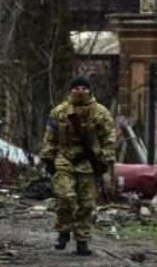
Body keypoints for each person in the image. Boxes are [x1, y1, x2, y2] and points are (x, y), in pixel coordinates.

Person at [40, 76, 115, 256]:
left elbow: (109, 138)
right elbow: (50, 136)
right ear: (70, 90)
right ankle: (64, 230)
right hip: (64, 159)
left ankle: (82, 240)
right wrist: (48, 158)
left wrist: (106, 159)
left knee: (87, 204)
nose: (80, 91)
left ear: (90, 90)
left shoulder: (100, 113)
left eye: (84, 87)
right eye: (76, 88)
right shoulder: (59, 111)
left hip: (88, 162)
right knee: (65, 196)